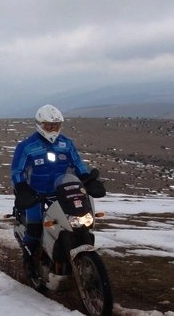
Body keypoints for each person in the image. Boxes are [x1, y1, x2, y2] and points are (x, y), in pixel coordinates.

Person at [10, 104, 104, 270]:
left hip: (61, 193)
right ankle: (29, 261)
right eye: (49, 125)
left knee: (78, 223)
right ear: (40, 124)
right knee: (35, 227)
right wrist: (22, 189)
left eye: (56, 125)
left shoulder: (66, 144)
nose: (53, 129)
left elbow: (78, 164)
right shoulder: (26, 146)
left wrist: (87, 178)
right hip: (36, 195)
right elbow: (17, 171)